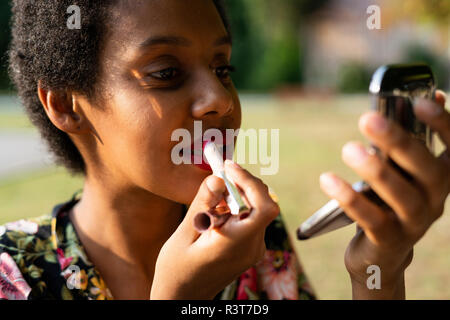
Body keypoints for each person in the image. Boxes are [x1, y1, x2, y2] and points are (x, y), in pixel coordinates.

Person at [1, 0, 448, 300]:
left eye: (222, 67)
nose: (219, 98)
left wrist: (378, 269)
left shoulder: (253, 245)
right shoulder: (13, 273)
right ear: (66, 105)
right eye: (166, 72)